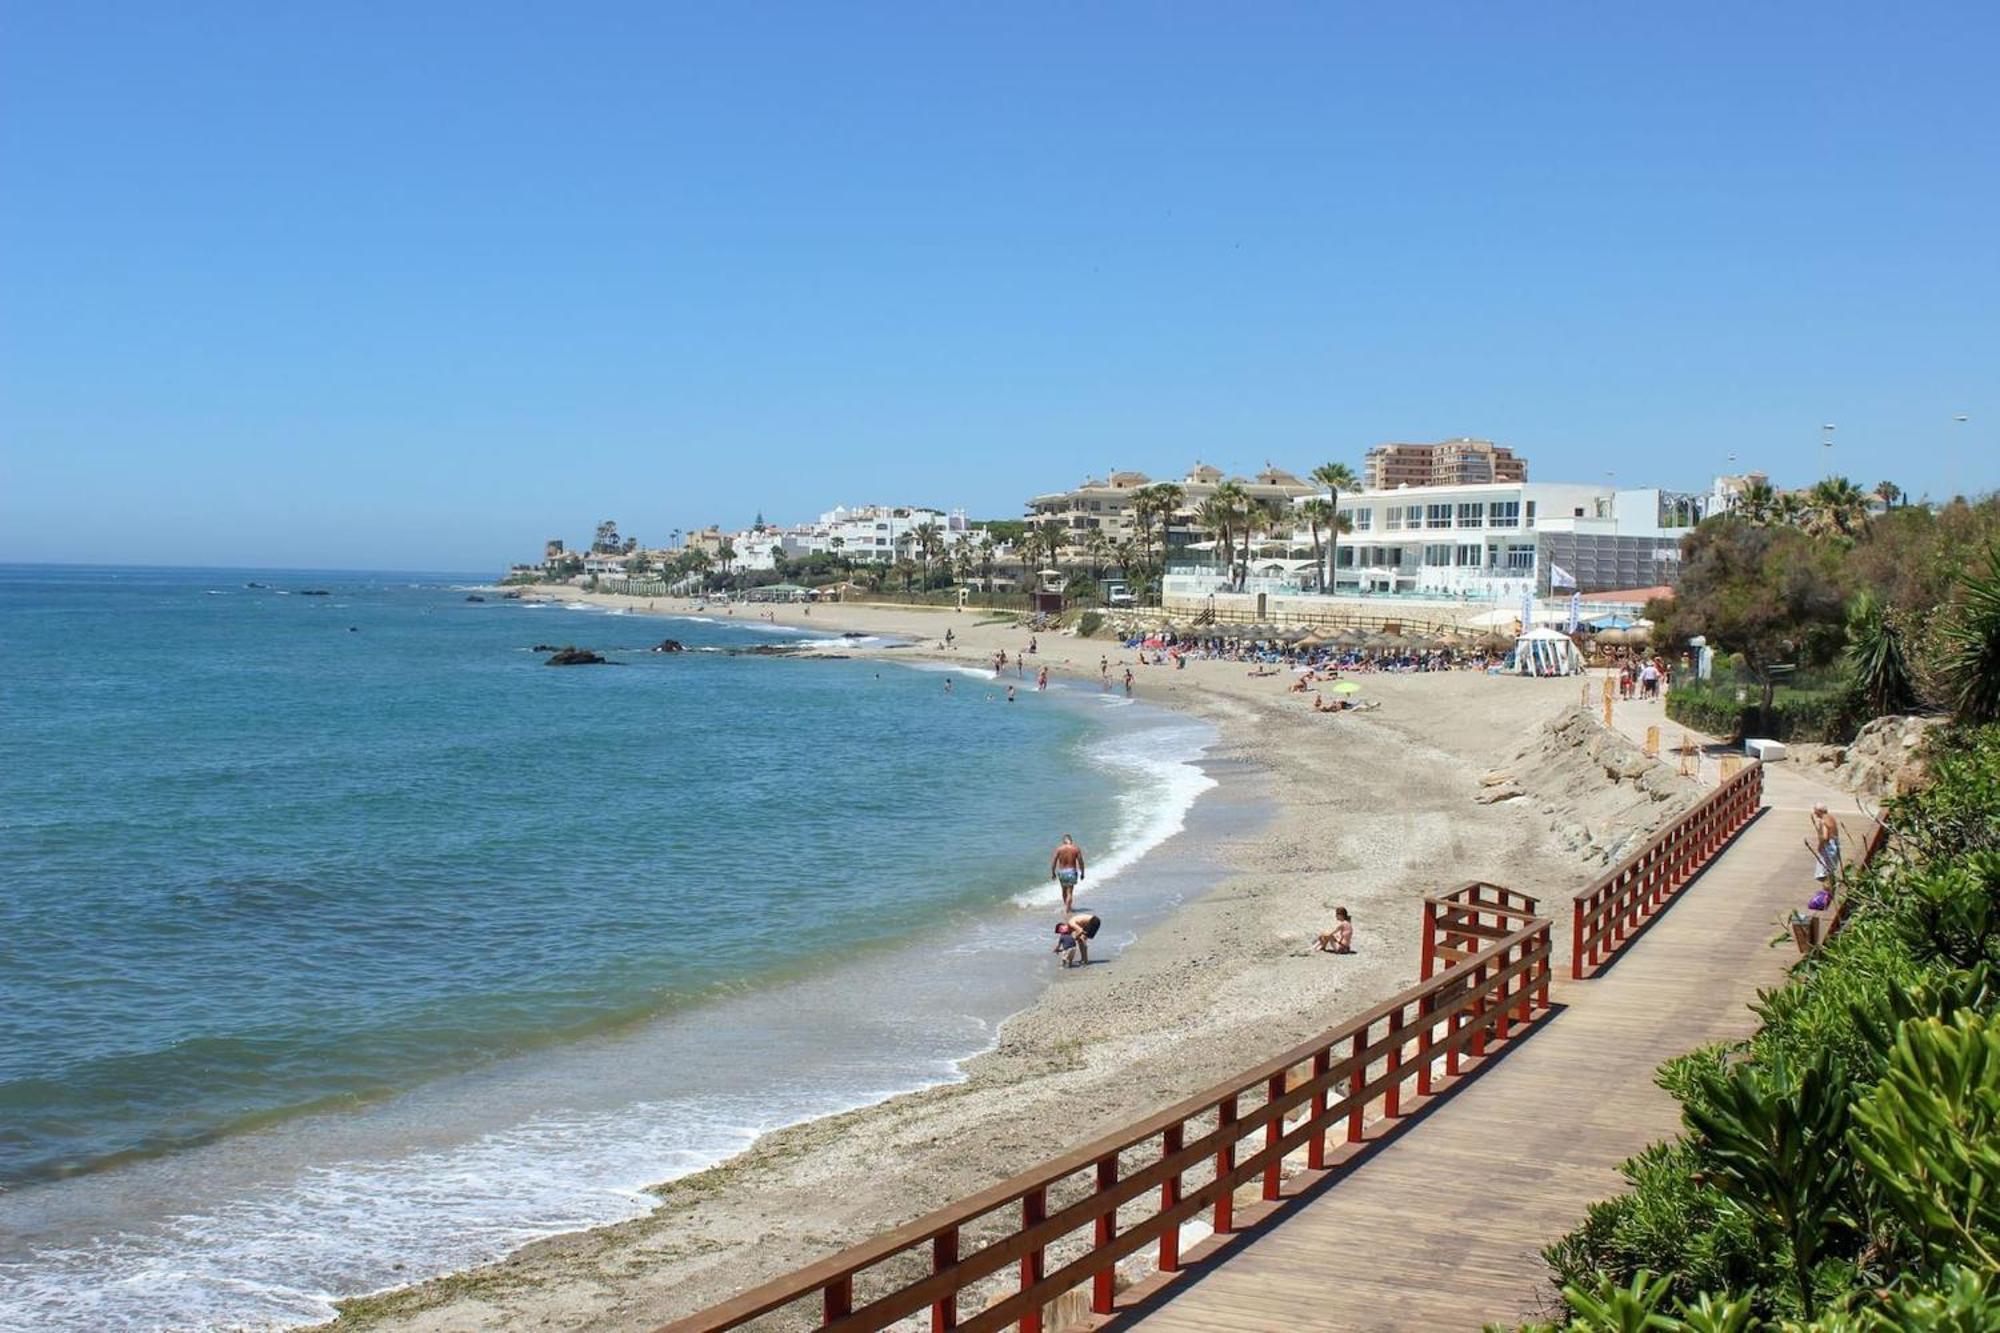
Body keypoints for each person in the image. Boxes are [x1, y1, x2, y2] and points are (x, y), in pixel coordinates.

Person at [1050, 834, 1086, 913]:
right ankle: (1067, 909)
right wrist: (1082, 873)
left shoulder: (1059, 849)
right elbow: (1081, 862)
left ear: (1063, 841)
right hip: (1071, 872)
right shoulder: (1075, 849)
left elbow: (1054, 861)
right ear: (1071, 840)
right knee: (1070, 892)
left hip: (1062, 872)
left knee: (1063, 891)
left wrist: (1053, 873)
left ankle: (1066, 907)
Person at [1810, 804, 1842, 883]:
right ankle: (1831, 888)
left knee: (1823, 873)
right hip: (1835, 843)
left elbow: (1825, 837)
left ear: (1820, 811)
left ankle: (1828, 891)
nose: (1815, 813)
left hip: (1828, 846)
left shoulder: (1823, 821)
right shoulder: (1831, 817)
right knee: (1831, 870)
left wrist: (1820, 846)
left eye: (1815, 811)